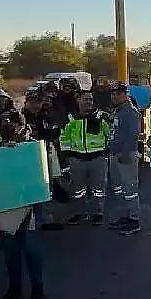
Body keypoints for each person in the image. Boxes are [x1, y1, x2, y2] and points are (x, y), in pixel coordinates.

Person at [0, 110, 47, 299]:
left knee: (31, 250)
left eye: (12, 123)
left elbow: (45, 177)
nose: (7, 128)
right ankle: (14, 288)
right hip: (7, 207)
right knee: (10, 250)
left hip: (30, 206)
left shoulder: (33, 148)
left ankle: (38, 288)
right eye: (3, 123)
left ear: (22, 126)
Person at [59, 90, 111, 226]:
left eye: (90, 100)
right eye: (85, 99)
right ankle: (80, 213)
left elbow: (109, 134)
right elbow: (64, 137)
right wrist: (66, 156)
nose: (89, 102)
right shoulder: (71, 117)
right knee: (77, 190)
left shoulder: (100, 117)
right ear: (79, 101)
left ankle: (98, 213)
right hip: (77, 159)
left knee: (98, 189)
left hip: (98, 158)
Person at [21, 90, 65, 231]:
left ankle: (45, 219)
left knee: (47, 188)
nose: (36, 105)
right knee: (30, 190)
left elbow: (56, 132)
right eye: (32, 102)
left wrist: (44, 134)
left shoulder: (46, 117)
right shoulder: (20, 117)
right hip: (26, 159)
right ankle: (28, 221)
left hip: (46, 155)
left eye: (38, 102)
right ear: (26, 102)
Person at [107, 82, 143, 235]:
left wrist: (126, 153)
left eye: (117, 94)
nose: (114, 96)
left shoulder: (131, 112)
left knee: (130, 188)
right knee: (118, 188)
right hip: (114, 154)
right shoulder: (118, 111)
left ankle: (134, 220)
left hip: (125, 155)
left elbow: (133, 134)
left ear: (125, 94)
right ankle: (125, 216)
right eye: (113, 94)